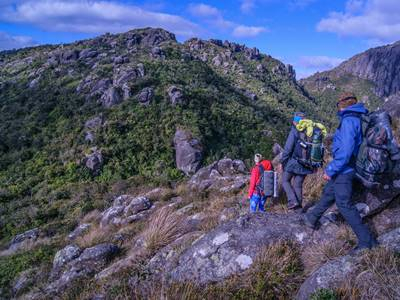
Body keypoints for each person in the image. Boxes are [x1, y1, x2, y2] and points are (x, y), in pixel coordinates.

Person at [302, 93, 378, 253]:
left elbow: (345, 151)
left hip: (345, 169)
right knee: (329, 192)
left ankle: (366, 241)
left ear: (343, 104)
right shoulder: (358, 117)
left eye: (338, 104)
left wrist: (331, 169)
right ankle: (312, 217)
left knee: (344, 204)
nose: (337, 107)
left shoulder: (349, 121)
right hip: (348, 166)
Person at [280, 112, 313, 210]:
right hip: (307, 163)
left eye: (294, 120)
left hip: (294, 162)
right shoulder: (310, 130)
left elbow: (287, 149)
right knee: (298, 185)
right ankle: (298, 208)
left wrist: (283, 162)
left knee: (285, 181)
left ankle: (293, 201)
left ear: (296, 121)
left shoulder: (295, 131)